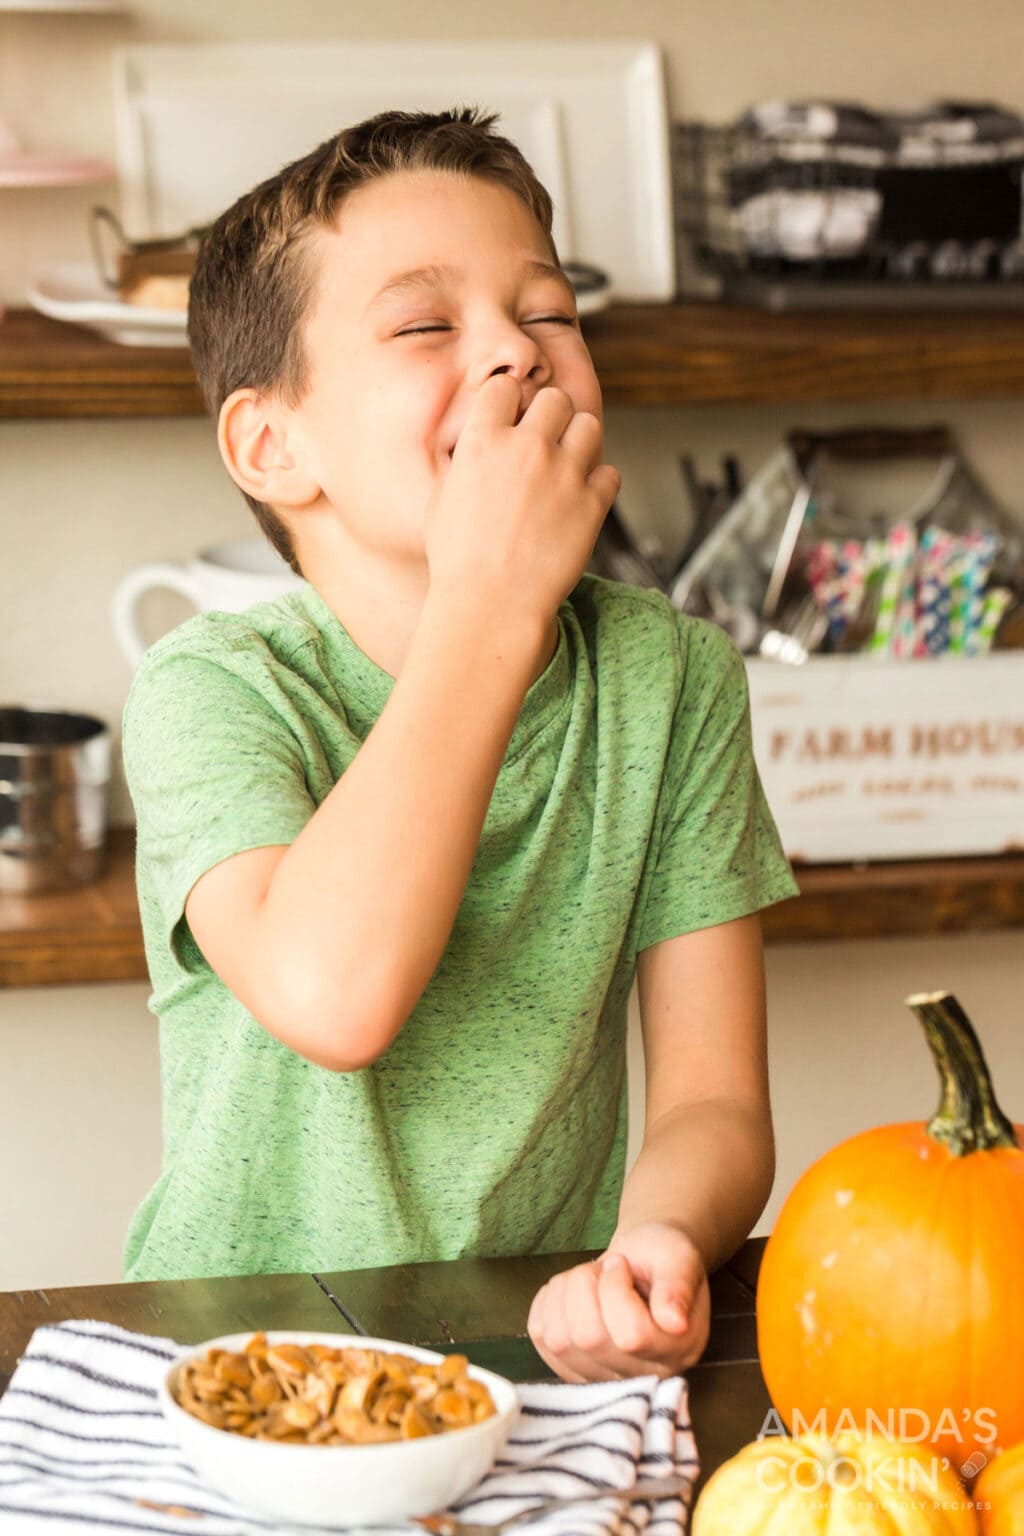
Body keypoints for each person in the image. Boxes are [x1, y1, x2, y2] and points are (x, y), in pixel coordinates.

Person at [121, 105, 799, 1383]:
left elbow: (712, 1097)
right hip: (234, 1373)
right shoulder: (211, 691)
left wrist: (656, 1240)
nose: (512, 352)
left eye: (547, 313)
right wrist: (489, 603)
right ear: (271, 445)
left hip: (533, 1365)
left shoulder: (670, 675)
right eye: (426, 325)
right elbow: (336, 996)